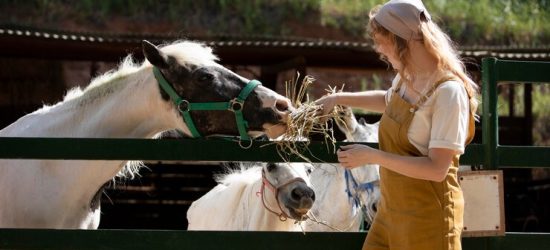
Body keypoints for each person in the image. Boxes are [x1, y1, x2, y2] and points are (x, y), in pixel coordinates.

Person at [315, 0, 477, 249]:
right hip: (391, 214)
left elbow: (437, 169)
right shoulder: (407, 78)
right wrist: (337, 98)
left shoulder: (448, 93)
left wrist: (373, 156)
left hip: (428, 222)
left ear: (403, 41)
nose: (379, 49)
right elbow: (388, 101)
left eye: (382, 40)